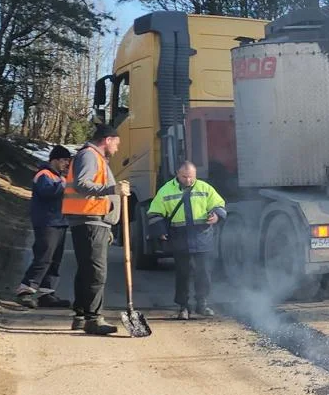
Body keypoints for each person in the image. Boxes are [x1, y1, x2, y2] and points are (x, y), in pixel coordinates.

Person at [64, 125, 131, 336]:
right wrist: (113, 189)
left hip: (93, 220)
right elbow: (82, 184)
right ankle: (93, 318)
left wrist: (107, 221)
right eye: (117, 143)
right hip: (89, 220)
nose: (117, 149)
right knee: (96, 271)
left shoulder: (93, 156)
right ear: (107, 139)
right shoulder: (90, 156)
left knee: (87, 269)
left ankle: (81, 316)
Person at [147, 160, 226, 319]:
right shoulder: (166, 190)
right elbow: (154, 213)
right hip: (180, 238)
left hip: (202, 237)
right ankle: (183, 306)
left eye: (191, 177)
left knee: (203, 273)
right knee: (182, 274)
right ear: (177, 173)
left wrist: (216, 215)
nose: (188, 180)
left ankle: (202, 304)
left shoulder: (205, 188)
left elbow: (219, 204)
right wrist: (160, 231)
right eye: (184, 177)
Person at [15, 145, 73, 308]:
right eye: (64, 160)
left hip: (60, 222)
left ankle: (47, 293)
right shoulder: (44, 175)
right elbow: (48, 192)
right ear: (54, 160)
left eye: (68, 161)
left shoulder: (60, 177)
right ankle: (25, 290)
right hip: (46, 222)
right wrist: (66, 184)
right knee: (44, 257)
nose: (66, 164)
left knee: (55, 260)